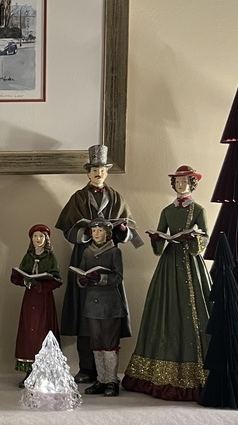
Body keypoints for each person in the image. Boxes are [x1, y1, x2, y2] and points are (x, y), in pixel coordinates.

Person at [122, 165, 212, 400]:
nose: (180, 185)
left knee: (194, 310)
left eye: (184, 182)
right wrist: (157, 238)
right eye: (177, 182)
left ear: (192, 184)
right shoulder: (167, 211)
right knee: (165, 309)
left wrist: (194, 239)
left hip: (190, 265)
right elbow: (159, 243)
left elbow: (205, 238)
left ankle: (196, 373)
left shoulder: (198, 210)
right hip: (169, 264)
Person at [56, 145, 141, 382]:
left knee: (108, 312)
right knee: (84, 311)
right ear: (88, 173)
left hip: (108, 255)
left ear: (107, 173)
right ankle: (86, 368)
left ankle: (108, 373)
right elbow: (67, 229)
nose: (98, 174)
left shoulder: (116, 197)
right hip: (84, 254)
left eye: (102, 170)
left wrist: (121, 230)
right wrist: (85, 232)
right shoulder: (78, 197)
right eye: (94, 170)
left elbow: (130, 233)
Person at [74, 219, 129, 396]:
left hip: (110, 304)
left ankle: (111, 381)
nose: (96, 234)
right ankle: (101, 379)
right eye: (93, 231)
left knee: (110, 343)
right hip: (92, 305)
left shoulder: (114, 251)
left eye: (99, 230)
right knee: (96, 343)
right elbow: (80, 274)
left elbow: (118, 277)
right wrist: (83, 279)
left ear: (107, 232)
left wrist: (100, 278)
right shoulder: (87, 252)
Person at [10, 224, 62, 386]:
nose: (38, 239)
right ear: (31, 239)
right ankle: (30, 372)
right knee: (29, 331)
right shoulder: (28, 257)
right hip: (30, 298)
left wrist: (41, 285)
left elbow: (56, 280)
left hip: (44, 299)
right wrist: (25, 280)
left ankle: (46, 372)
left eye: (41, 236)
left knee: (43, 331)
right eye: (35, 236)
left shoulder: (50, 257)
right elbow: (18, 276)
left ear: (46, 239)